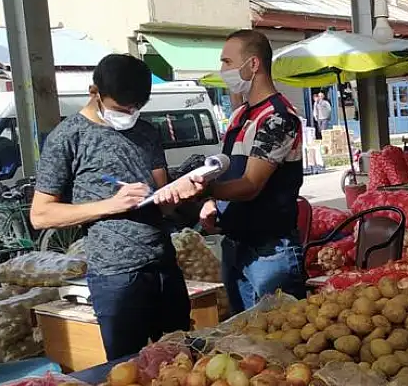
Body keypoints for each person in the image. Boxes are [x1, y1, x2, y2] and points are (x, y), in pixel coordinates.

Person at [30, 54, 205, 359]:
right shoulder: (67, 138)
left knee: (183, 361)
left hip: (163, 266)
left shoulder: (146, 132)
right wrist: (110, 205)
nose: (129, 114)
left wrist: (180, 193)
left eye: (136, 108)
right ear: (93, 92)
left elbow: (160, 200)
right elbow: (41, 214)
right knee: (127, 373)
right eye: (121, 108)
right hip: (116, 277)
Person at [201, 29, 305, 311]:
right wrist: (212, 201)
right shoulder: (240, 116)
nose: (222, 70)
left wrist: (201, 191)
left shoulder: (278, 119)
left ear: (253, 64)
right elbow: (225, 170)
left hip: (270, 253)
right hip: (235, 245)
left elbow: (250, 184)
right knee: (243, 340)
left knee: (280, 336)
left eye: (227, 62)